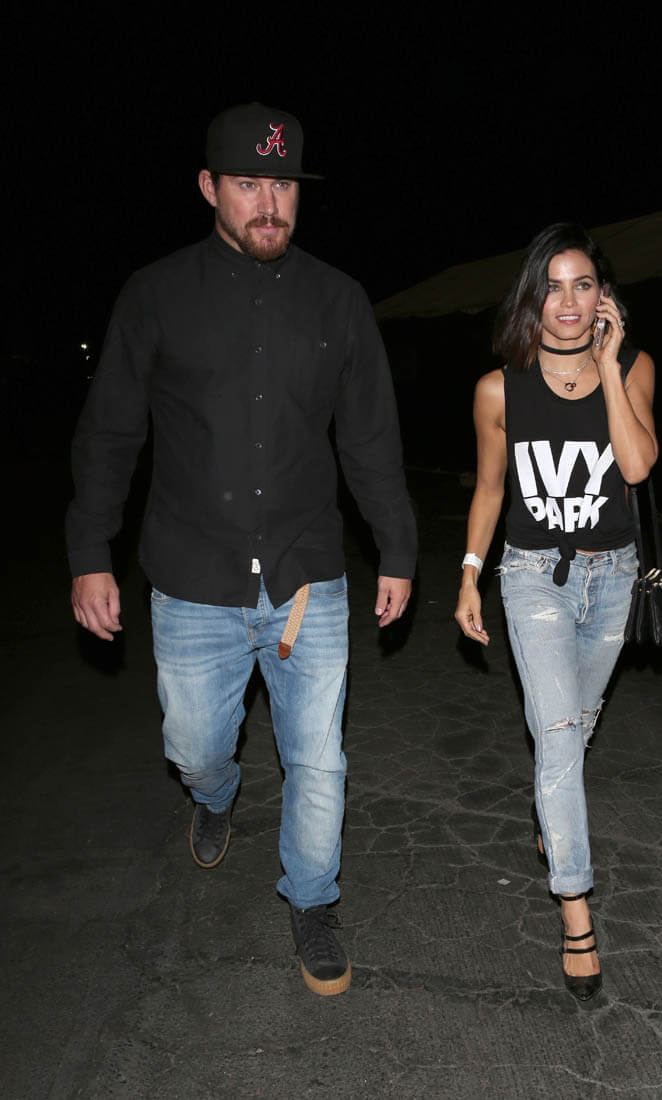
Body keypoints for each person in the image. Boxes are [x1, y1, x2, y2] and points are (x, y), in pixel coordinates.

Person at [66, 102, 417, 997]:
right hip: (193, 577)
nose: (270, 202)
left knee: (319, 761)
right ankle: (215, 795)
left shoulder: (337, 299)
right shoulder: (155, 294)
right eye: (250, 183)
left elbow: (369, 440)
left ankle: (312, 898)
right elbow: (111, 432)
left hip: (307, 575)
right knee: (194, 746)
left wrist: (398, 548)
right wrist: (89, 549)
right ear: (208, 187)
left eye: (284, 185)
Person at [455, 223, 657, 1000]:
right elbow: (489, 489)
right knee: (561, 733)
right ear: (530, 297)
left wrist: (607, 366)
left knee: (572, 724)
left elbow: (635, 465)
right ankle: (575, 911)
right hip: (533, 575)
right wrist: (469, 575)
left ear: (601, 297)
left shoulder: (634, 367)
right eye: (551, 285)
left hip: (613, 576)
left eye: (582, 285)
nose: (566, 301)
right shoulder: (498, 388)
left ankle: (550, 797)